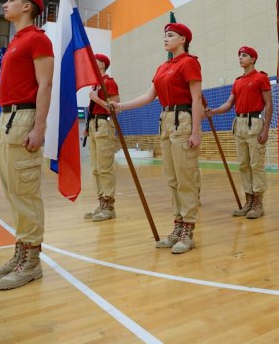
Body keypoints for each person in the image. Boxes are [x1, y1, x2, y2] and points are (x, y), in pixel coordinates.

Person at [110, 23, 203, 254]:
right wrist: (121, 106)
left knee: (186, 178)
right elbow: (149, 96)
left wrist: (196, 131)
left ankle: (188, 230)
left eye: (170, 35)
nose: (165, 39)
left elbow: (197, 98)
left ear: (183, 39)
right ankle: (178, 225)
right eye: (164, 35)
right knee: (171, 178)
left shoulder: (190, 62)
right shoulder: (162, 67)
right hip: (165, 120)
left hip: (183, 120)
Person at [0, 0, 54, 290]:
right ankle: (21, 253)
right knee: (13, 190)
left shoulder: (38, 39)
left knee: (25, 192)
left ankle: (31, 262)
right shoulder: (17, 41)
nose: (5, 4)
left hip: (24, 118)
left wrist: (39, 128)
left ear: (27, 7)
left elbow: (45, 84)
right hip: (8, 117)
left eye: (11, 0)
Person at [206, 46, 272, 218]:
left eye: (244, 55)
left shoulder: (261, 78)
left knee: (256, 165)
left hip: (255, 122)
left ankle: (258, 203)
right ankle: (248, 200)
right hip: (239, 124)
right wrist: (214, 111)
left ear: (253, 59)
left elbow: (269, 104)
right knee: (243, 165)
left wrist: (266, 129)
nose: (240, 58)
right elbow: (229, 104)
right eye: (239, 56)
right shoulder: (237, 81)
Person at [83, 53, 120, 222]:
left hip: (104, 124)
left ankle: (109, 205)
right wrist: (87, 127)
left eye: (95, 61)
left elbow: (115, 108)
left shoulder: (109, 83)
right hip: (94, 124)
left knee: (105, 168)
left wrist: (96, 99)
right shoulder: (95, 85)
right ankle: (101, 202)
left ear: (103, 65)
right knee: (96, 168)